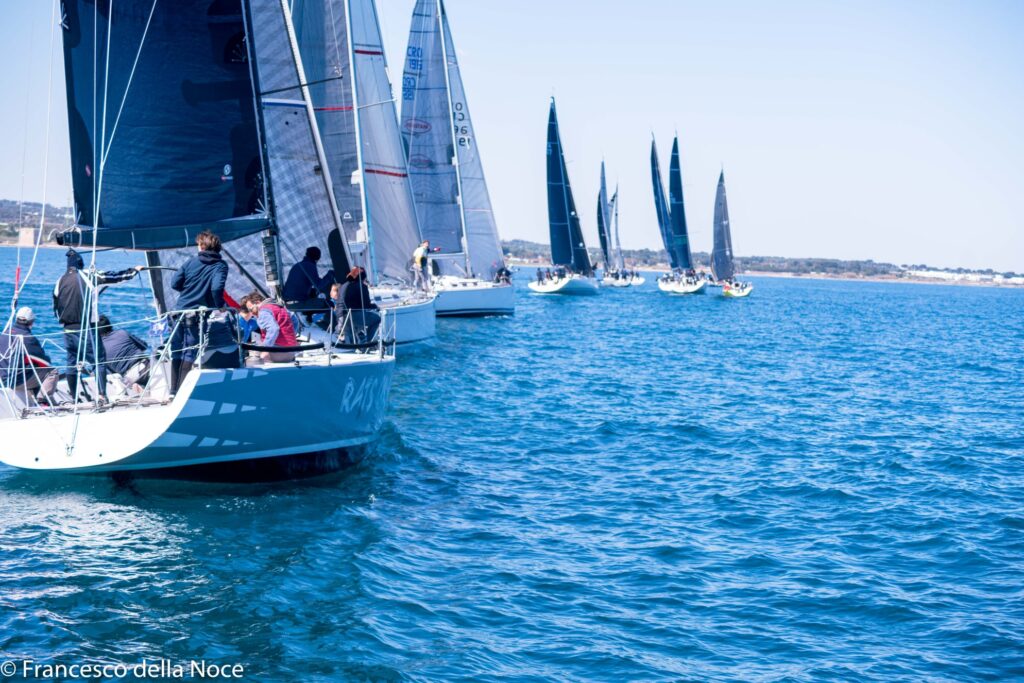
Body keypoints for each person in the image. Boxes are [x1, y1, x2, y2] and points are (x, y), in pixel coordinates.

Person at [53, 249, 143, 402]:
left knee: (72, 363)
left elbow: (56, 308)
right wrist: (134, 271)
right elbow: (116, 277)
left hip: (67, 330)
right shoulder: (89, 275)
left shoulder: (59, 281)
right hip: (87, 328)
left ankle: (74, 398)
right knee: (98, 360)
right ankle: (102, 395)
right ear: (81, 263)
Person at [169, 230, 229, 392]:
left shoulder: (190, 262)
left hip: (178, 312)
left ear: (202, 246)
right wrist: (220, 304)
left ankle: (172, 391)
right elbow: (217, 288)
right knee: (189, 353)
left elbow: (174, 284)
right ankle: (180, 393)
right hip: (196, 316)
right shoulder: (220, 266)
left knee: (176, 351)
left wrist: (188, 291)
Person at [0, 307, 58, 405]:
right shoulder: (28, 338)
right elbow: (45, 363)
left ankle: (37, 397)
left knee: (32, 368)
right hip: (15, 381)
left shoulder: (4, 333)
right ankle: (43, 401)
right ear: (31, 322)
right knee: (51, 371)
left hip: (2, 379)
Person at [97, 315, 150, 393]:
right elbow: (144, 346)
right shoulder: (122, 333)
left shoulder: (98, 348)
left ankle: (139, 385)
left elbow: (107, 370)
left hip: (129, 377)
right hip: (145, 366)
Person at [241, 292, 298, 363]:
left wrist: (266, 349)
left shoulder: (263, 311)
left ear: (257, 302)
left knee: (253, 357)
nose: (252, 313)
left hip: (278, 352)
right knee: (258, 343)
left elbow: (273, 329)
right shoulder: (280, 307)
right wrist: (291, 336)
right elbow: (295, 321)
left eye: (251, 309)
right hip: (292, 351)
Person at [337, 267, 381, 345]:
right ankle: (369, 343)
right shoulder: (361, 286)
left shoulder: (342, 286)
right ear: (363, 277)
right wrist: (376, 307)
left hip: (340, 316)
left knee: (352, 329)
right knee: (377, 319)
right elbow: (366, 305)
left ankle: (353, 343)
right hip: (353, 315)